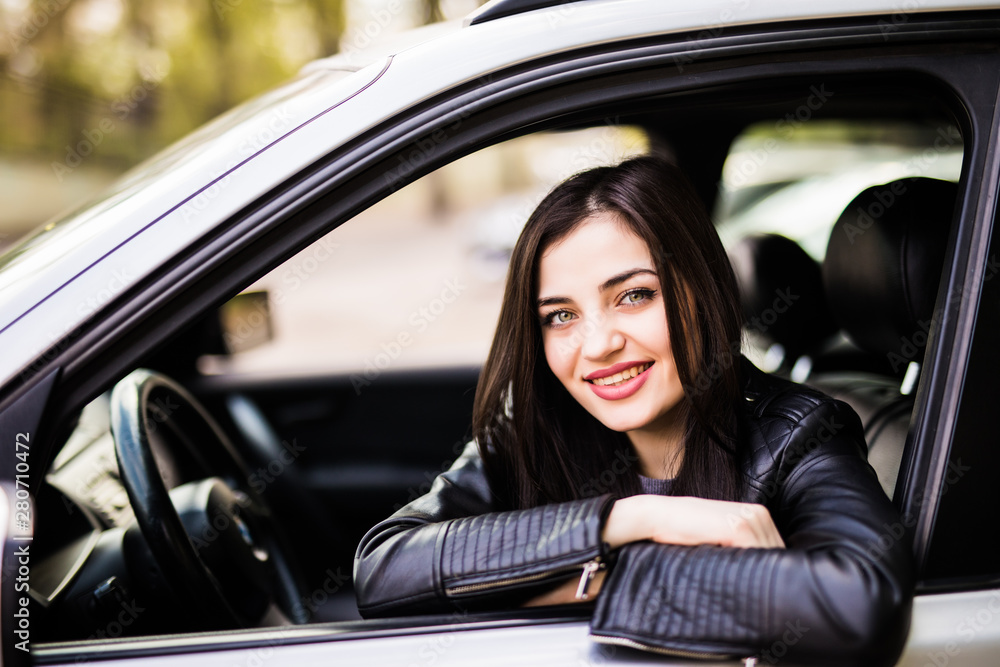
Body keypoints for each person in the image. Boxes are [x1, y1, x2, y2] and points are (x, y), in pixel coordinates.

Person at [354, 156, 912, 665]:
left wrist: (580, 579)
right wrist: (631, 522)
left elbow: (857, 604)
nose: (597, 345)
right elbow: (384, 570)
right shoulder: (531, 429)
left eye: (634, 295)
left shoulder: (797, 434)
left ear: (701, 290)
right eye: (560, 316)